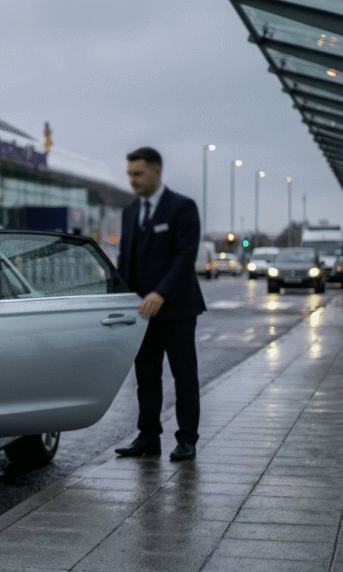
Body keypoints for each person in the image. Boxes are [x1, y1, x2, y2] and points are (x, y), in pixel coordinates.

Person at [115, 147, 206, 461]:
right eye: (129, 174)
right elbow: (125, 259)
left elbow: (185, 257)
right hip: (142, 312)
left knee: (185, 376)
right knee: (146, 377)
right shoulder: (129, 212)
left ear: (156, 171)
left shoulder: (182, 208)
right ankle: (148, 437)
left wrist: (160, 293)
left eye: (138, 174)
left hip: (177, 309)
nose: (133, 181)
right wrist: (119, 294)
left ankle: (187, 440)